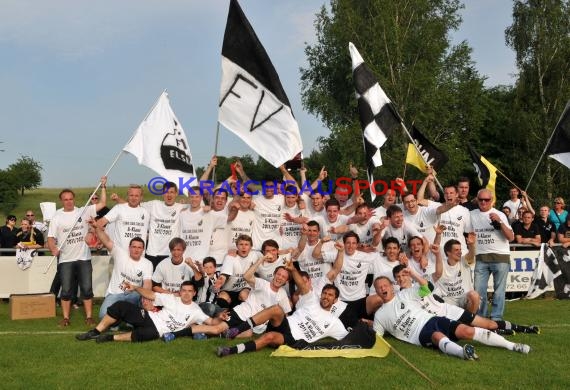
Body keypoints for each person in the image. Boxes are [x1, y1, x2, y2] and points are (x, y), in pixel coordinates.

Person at [373, 276, 530, 360]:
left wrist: (412, 272)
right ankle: (463, 353)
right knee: (436, 336)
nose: (382, 288)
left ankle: (512, 345)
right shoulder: (379, 315)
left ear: (391, 287)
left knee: (467, 331)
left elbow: (427, 287)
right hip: (417, 334)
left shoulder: (404, 294)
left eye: (385, 285)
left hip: (433, 319)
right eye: (379, 287)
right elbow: (377, 338)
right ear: (376, 291)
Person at [215, 259, 348, 357]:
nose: (326, 297)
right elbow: (301, 284)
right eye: (324, 293)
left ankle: (229, 351)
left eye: (330, 295)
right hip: (285, 324)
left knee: (269, 337)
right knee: (276, 309)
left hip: (294, 339)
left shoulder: (334, 322)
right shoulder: (312, 301)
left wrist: (366, 328)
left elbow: (350, 338)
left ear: (335, 300)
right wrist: (293, 270)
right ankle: (235, 331)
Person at [393, 264, 539, 335]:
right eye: (398, 277)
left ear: (408, 275)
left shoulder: (419, 284)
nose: (401, 278)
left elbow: (429, 285)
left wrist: (412, 272)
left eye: (403, 275)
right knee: (468, 332)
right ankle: (497, 333)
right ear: (395, 280)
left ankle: (522, 328)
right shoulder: (399, 297)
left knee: (488, 323)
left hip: (449, 311)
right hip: (437, 321)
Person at [75, 281, 223, 343]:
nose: (186, 293)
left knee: (144, 336)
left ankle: (110, 338)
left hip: (158, 331)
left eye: (189, 291)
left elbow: (211, 323)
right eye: (183, 290)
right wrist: (135, 287)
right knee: (121, 305)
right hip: (150, 318)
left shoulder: (196, 310)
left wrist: (220, 317)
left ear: (194, 293)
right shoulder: (171, 298)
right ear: (180, 291)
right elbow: (151, 295)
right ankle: (95, 331)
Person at [46, 178, 107, 327]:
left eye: (71, 199)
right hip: (65, 260)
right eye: (65, 199)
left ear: (74, 199)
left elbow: (103, 204)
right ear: (62, 201)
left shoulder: (84, 211)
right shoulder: (57, 217)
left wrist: (103, 187)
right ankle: (66, 318)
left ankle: (89, 317)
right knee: (66, 291)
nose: (68, 202)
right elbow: (50, 238)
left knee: (86, 289)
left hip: (84, 258)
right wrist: (53, 248)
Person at [90, 219, 153, 320]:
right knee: (103, 316)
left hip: (134, 295)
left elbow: (147, 283)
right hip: (115, 293)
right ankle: (121, 320)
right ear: (129, 248)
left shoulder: (147, 263)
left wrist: (146, 297)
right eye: (134, 247)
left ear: (143, 249)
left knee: (145, 299)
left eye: (139, 247)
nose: (136, 250)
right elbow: (106, 240)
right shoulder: (120, 253)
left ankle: (135, 320)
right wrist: (97, 228)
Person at [470, 189, 514, 320]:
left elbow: (511, 237)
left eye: (486, 200)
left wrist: (500, 222)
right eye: (481, 199)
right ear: (477, 200)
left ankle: (496, 318)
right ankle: (481, 317)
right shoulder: (471, 214)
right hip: (481, 258)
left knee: (499, 291)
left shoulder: (499, 214)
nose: (483, 202)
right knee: (479, 290)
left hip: (500, 257)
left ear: (492, 200)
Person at [432, 238, 480, 314]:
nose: (460, 252)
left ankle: (470, 320)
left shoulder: (464, 260)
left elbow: (471, 255)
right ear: (448, 252)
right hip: (448, 300)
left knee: (474, 295)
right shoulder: (441, 265)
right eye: (456, 250)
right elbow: (435, 249)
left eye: (460, 250)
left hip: (464, 299)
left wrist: (471, 245)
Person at [96, 184, 149, 250]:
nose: (133, 198)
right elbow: (99, 223)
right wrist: (103, 240)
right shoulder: (119, 208)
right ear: (127, 196)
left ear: (141, 197)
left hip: (139, 256)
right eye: (131, 195)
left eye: (136, 196)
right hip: (120, 256)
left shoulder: (146, 211)